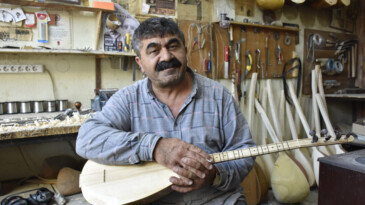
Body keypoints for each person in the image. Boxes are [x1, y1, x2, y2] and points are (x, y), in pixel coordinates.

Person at [76, 17, 256, 205]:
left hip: (216, 199)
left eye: (173, 46)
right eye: (154, 51)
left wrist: (216, 175)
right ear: (140, 63)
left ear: (185, 51)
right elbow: (87, 139)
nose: (167, 57)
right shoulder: (128, 99)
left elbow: (245, 151)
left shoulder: (219, 96)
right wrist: (154, 147)